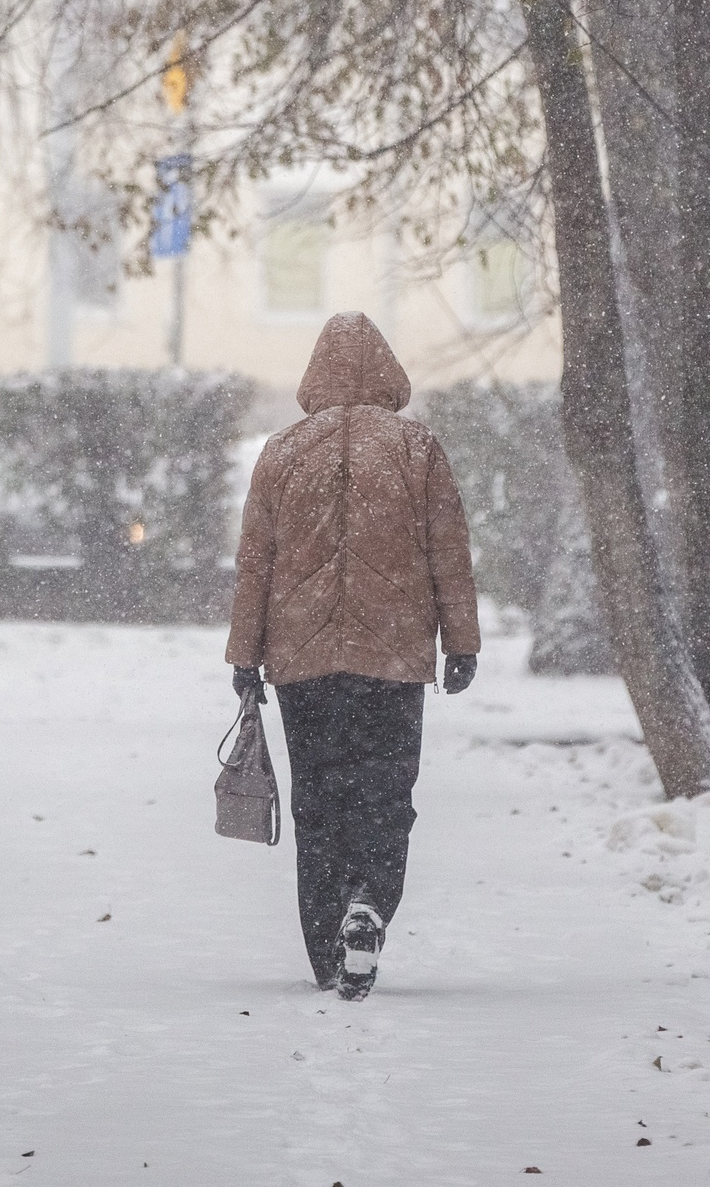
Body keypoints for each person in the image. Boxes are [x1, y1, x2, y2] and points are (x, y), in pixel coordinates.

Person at [224, 311, 479, 1000]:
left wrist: (245, 655)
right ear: (387, 373)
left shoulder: (281, 451)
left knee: (319, 801)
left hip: (303, 664)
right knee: (386, 794)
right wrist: (461, 642)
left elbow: (256, 564)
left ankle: (326, 947)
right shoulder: (417, 448)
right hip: (391, 661)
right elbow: (448, 553)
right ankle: (368, 899)